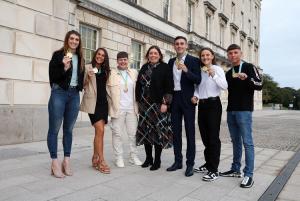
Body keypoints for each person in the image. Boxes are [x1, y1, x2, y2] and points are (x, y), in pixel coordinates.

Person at [219, 44, 262, 188]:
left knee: (247, 143)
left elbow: (259, 84)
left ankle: (249, 175)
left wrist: (248, 78)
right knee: (235, 141)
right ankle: (235, 169)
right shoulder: (229, 72)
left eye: (235, 52)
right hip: (231, 110)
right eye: (230, 53)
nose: (232, 55)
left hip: (244, 110)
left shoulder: (249, 67)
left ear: (241, 54)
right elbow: (223, 87)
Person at [47, 30, 84, 178]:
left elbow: (80, 77)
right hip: (59, 93)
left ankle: (66, 160)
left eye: (76, 39)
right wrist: (64, 68)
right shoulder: (58, 55)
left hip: (74, 95)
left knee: (68, 129)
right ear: (67, 40)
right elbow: (52, 77)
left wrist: (81, 85)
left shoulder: (80, 57)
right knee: (54, 129)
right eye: (72, 38)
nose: (74, 41)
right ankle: (54, 162)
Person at [166, 36, 201, 177]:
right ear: (174, 46)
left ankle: (190, 164)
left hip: (188, 99)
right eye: (177, 44)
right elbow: (168, 81)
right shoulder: (170, 61)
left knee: (190, 132)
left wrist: (187, 70)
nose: (179, 46)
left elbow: (198, 79)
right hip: (174, 99)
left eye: (182, 44)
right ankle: (177, 161)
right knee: (176, 132)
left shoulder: (193, 61)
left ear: (186, 46)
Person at [192, 47, 227, 181]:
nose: (205, 57)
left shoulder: (217, 69)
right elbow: (197, 87)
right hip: (202, 105)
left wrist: (214, 74)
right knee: (205, 137)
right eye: (202, 56)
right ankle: (208, 164)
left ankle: (214, 169)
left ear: (212, 56)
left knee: (213, 137)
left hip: (214, 105)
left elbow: (224, 86)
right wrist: (195, 96)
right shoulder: (200, 70)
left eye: (207, 55)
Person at [136, 45, 174, 171]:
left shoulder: (165, 67)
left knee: (158, 132)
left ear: (159, 55)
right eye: (151, 53)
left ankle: (157, 160)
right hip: (144, 105)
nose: (153, 55)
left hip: (158, 104)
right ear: (148, 55)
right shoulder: (144, 67)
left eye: (155, 53)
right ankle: (148, 158)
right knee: (146, 132)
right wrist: (138, 101)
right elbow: (139, 85)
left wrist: (165, 103)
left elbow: (169, 87)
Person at [106, 51, 142, 168]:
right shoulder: (111, 74)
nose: (123, 61)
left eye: (125, 59)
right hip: (118, 109)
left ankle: (133, 156)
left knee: (133, 134)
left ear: (128, 60)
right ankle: (119, 157)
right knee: (117, 134)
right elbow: (107, 93)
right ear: (117, 61)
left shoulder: (134, 73)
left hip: (132, 108)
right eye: (120, 60)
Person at [80, 48, 110, 174]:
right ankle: (101, 160)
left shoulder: (106, 70)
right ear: (95, 55)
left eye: (103, 55)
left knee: (100, 132)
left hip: (104, 103)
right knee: (100, 130)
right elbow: (82, 85)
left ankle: (94, 157)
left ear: (105, 58)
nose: (100, 57)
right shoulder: (87, 68)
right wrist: (88, 76)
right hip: (93, 103)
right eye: (99, 54)